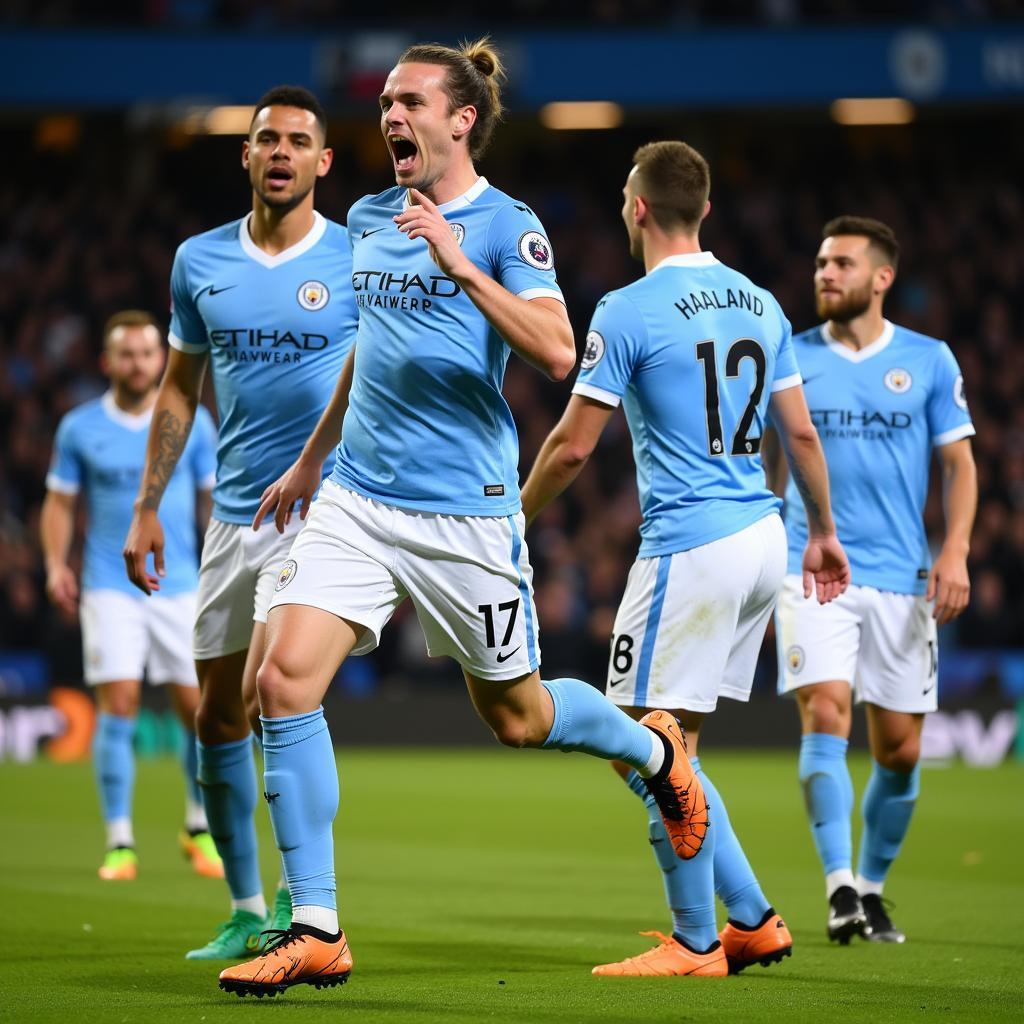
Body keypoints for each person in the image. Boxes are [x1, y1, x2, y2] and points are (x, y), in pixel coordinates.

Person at [218, 41, 706, 999]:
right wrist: (313, 461)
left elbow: (559, 349)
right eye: (387, 103)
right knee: (279, 680)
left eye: (410, 102)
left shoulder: (506, 227)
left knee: (517, 719)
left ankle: (657, 753)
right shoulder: (368, 215)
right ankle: (315, 924)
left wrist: (459, 261)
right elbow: (371, 347)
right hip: (357, 496)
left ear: (460, 119)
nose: (391, 116)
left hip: (463, 514)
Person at [520, 141, 851, 978]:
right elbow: (800, 432)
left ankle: (697, 940)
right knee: (676, 753)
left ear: (636, 209)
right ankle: (752, 919)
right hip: (762, 536)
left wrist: (509, 518)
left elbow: (569, 450)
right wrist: (823, 531)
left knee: (651, 748)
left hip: (691, 545)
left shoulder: (628, 309)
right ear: (703, 210)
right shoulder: (762, 303)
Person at [122, 86, 357, 959]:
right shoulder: (199, 261)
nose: (283, 151)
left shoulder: (354, 256)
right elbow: (180, 388)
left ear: (323, 161)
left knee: (275, 690)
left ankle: (311, 902)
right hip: (232, 518)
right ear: (247, 156)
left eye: (300, 140)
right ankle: (246, 908)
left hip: (327, 510)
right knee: (217, 717)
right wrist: (148, 507)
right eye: (269, 139)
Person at [770, 216, 976, 944]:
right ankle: (838, 889)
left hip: (900, 576)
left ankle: (873, 884)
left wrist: (955, 551)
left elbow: (958, 464)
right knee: (826, 715)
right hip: (814, 570)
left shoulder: (927, 361)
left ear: (881, 277)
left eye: (842, 264)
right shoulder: (788, 357)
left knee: (901, 753)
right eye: (821, 262)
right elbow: (771, 462)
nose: (825, 273)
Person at [42, 310, 220, 882]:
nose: (139, 363)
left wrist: (226, 569)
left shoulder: (192, 423)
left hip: (182, 584)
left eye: (148, 353)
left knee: (198, 712)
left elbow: (213, 503)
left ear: (161, 360)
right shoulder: (79, 428)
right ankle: (120, 841)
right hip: (108, 586)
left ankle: (197, 827)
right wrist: (52, 563)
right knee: (118, 704)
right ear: (107, 362)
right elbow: (61, 502)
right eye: (128, 354)